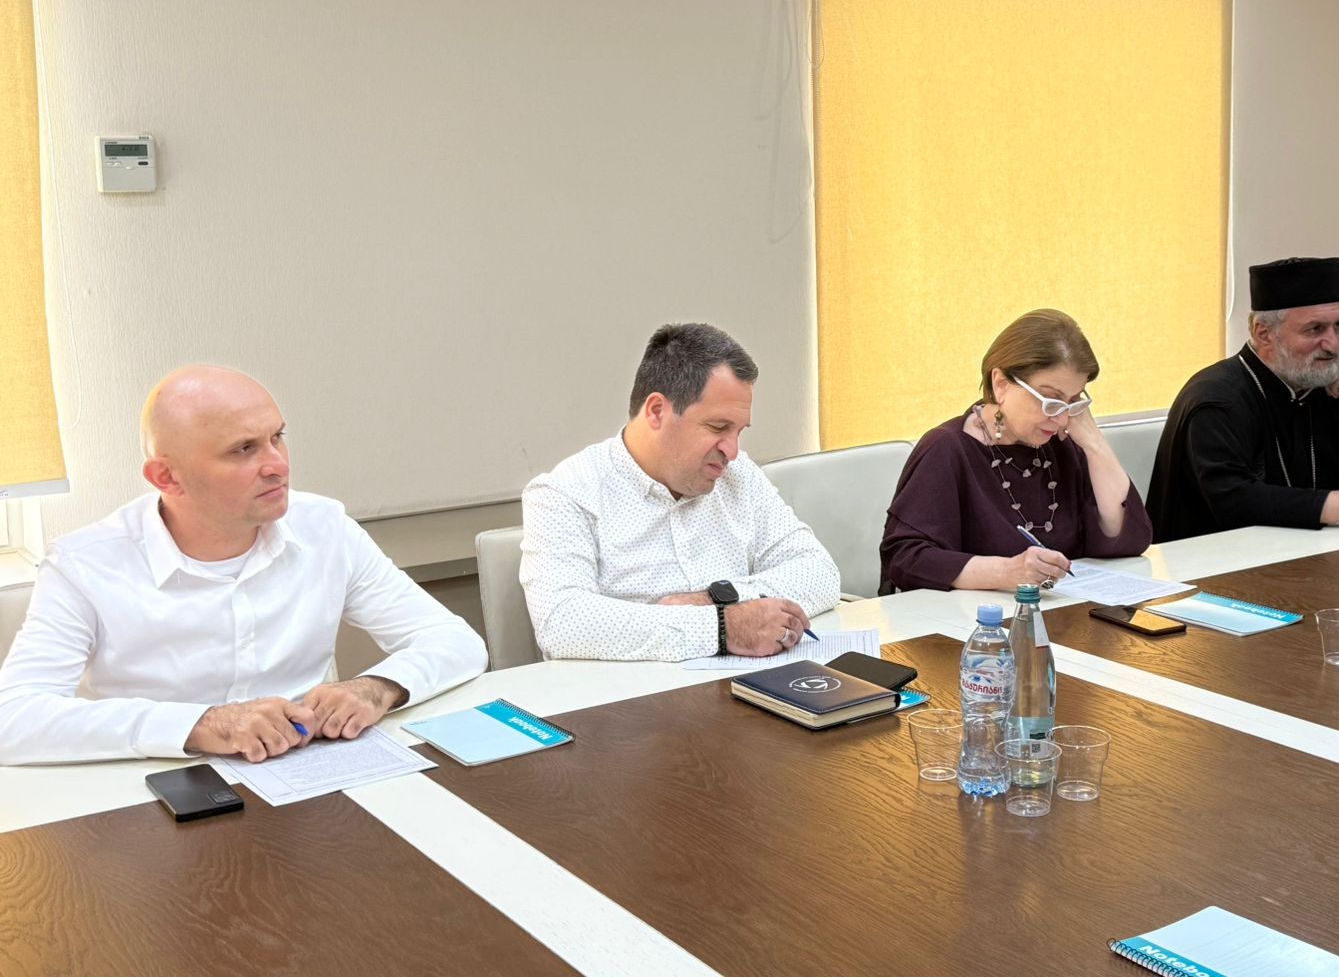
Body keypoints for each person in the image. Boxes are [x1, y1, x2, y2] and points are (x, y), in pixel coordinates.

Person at [0, 365, 487, 767]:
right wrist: (203, 724)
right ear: (167, 477)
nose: (278, 465)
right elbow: (13, 718)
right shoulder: (85, 563)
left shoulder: (324, 527)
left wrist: (376, 688)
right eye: (244, 449)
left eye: (278, 437)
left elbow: (455, 641)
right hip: (153, 787)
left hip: (311, 774)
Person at [522, 323, 841, 662]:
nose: (732, 451)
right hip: (634, 693)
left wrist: (715, 600)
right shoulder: (564, 493)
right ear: (656, 411)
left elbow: (820, 572)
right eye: (718, 427)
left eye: (738, 431)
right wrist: (723, 628)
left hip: (745, 685)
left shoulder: (739, 475)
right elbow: (562, 622)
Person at [1146, 256, 1339, 542]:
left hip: (1312, 551)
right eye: (1315, 329)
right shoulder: (1217, 398)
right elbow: (1231, 501)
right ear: (1264, 334)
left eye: (1338, 325)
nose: (1334, 344)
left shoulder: (1328, 386)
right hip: (1217, 559)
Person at [880, 309, 1152, 594]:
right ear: (1001, 384)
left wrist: (1095, 444)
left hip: (1065, 611)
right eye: (1050, 400)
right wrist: (1005, 572)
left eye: (1073, 401)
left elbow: (1129, 541)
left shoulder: (1062, 440)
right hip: (976, 618)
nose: (1061, 418)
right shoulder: (948, 449)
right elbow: (905, 559)